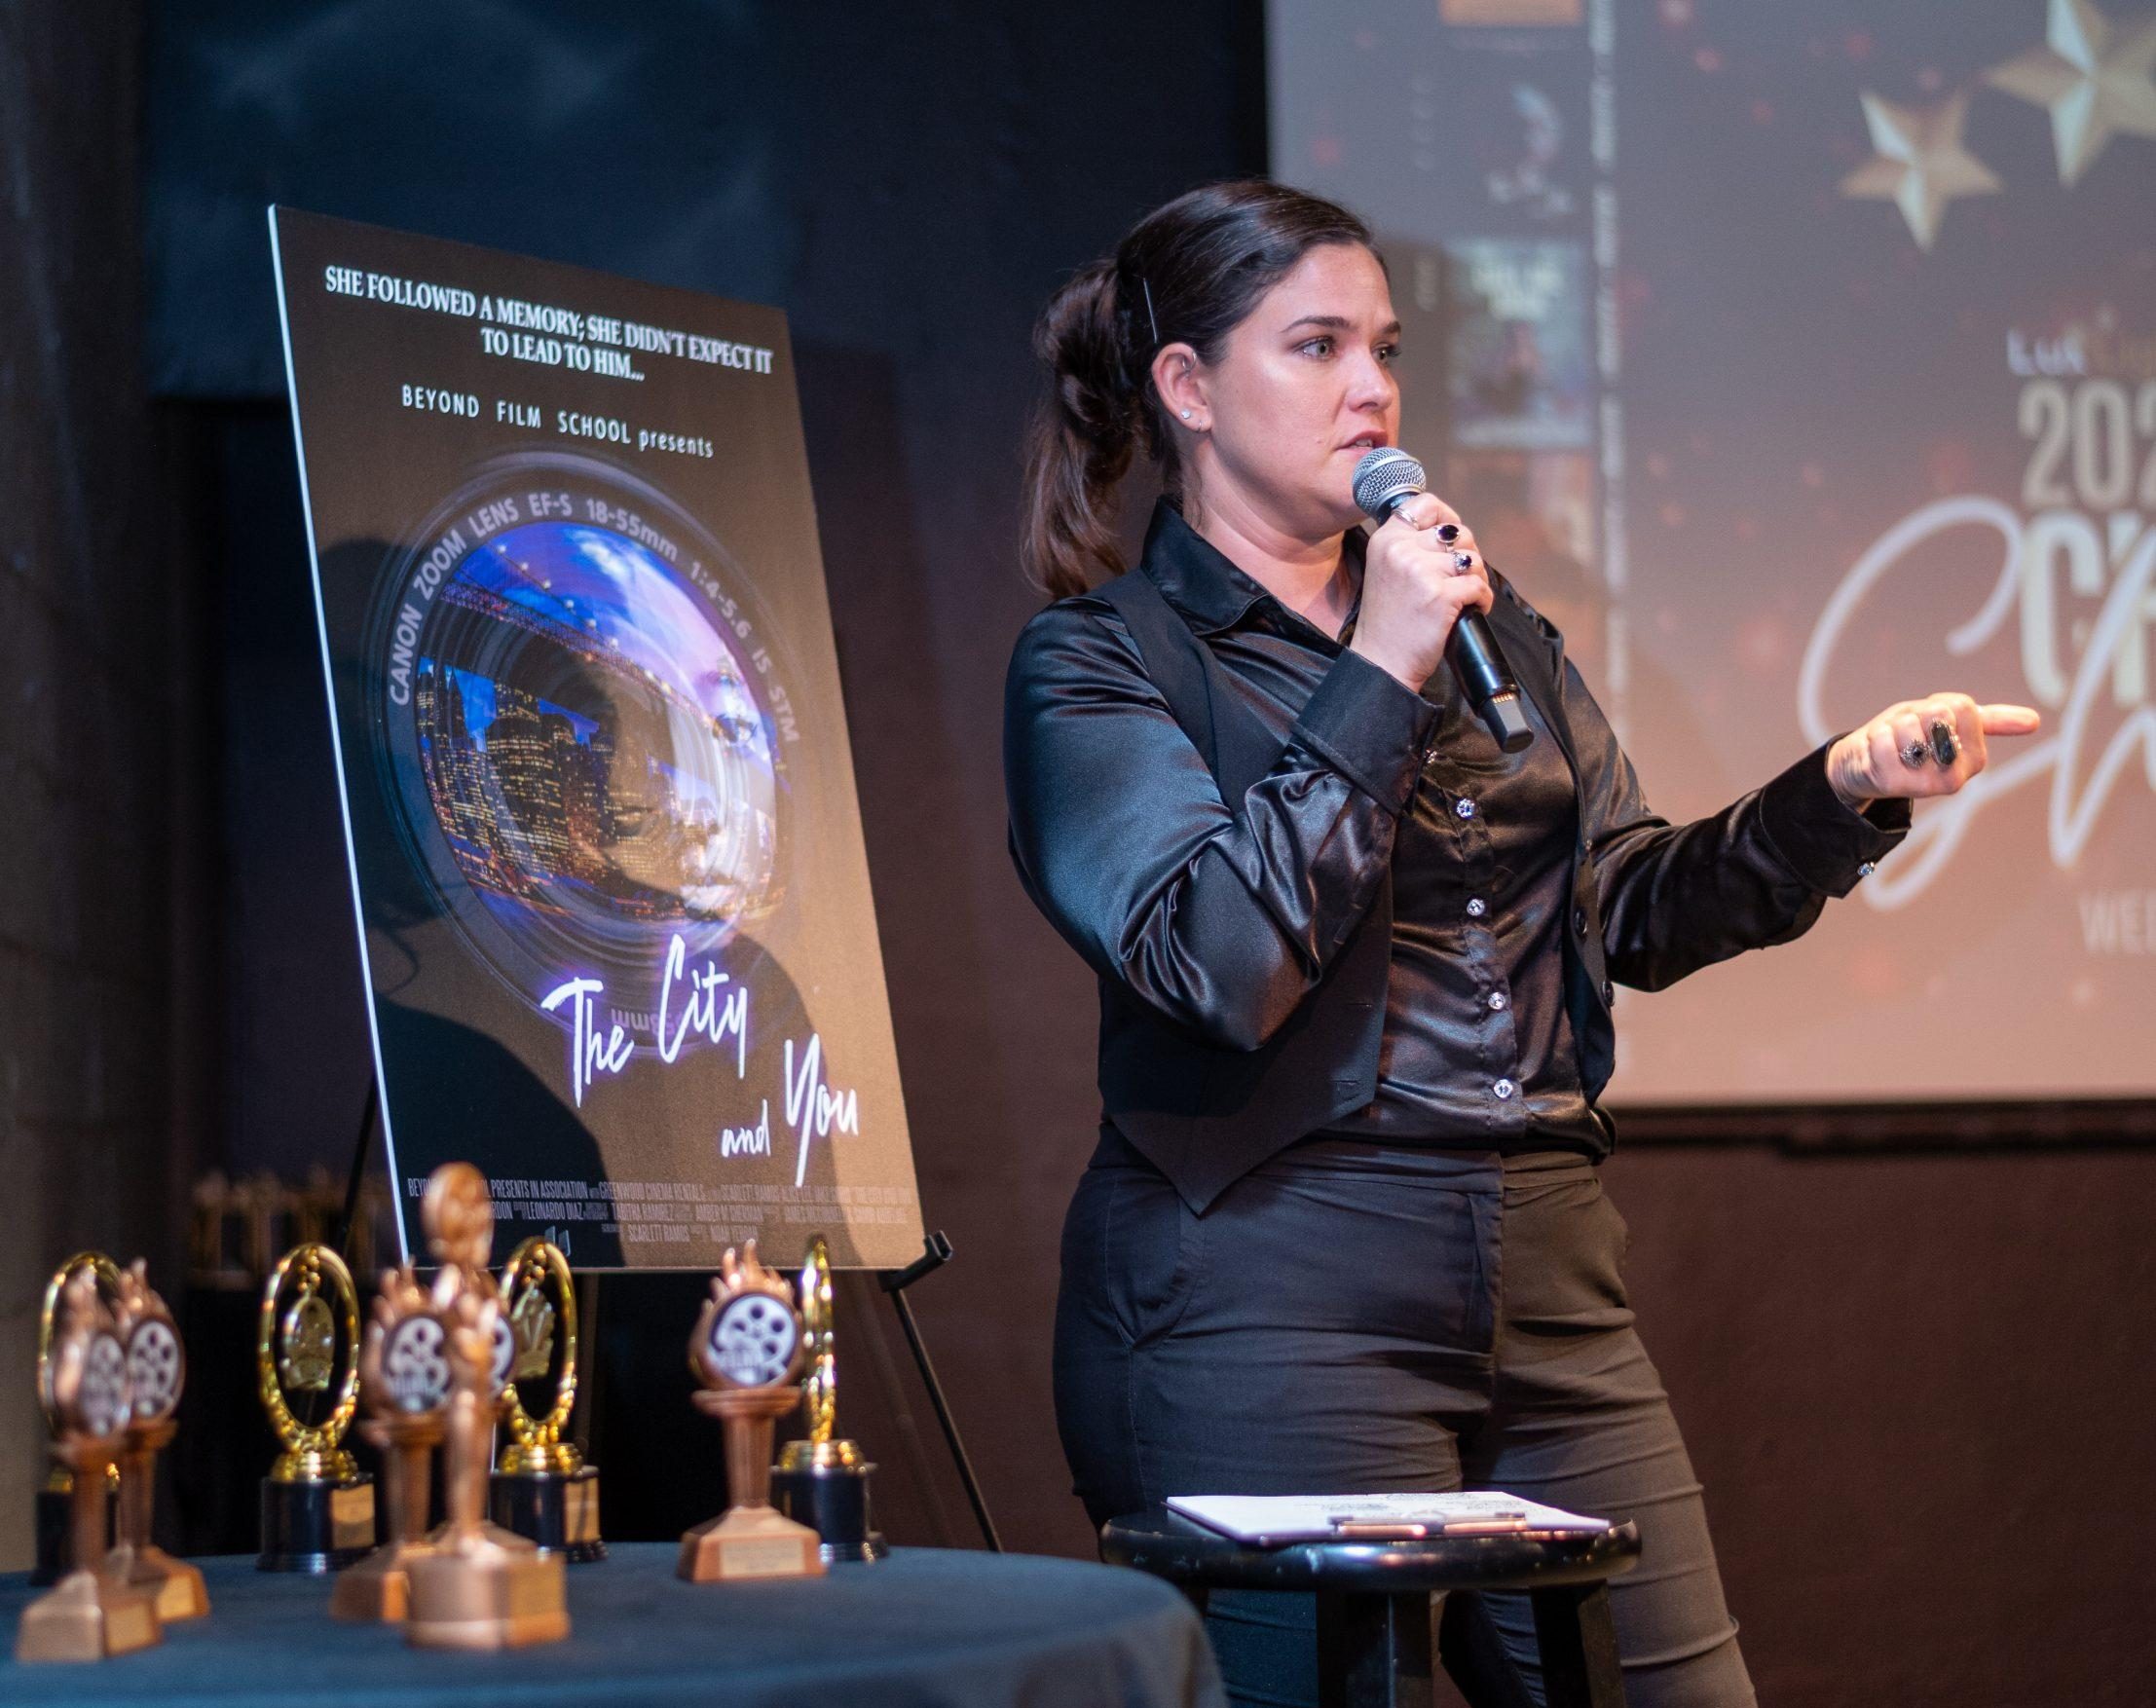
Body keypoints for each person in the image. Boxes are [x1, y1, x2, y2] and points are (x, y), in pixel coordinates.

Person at [1001, 180, 2039, 1708]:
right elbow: (1219, 964)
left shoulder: (1495, 635)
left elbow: (1631, 907)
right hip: (1263, 1295)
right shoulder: (1100, 663)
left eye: (1383, 347)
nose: (1370, 387)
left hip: (1546, 1281)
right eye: (1315, 345)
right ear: (1188, 387)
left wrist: (1838, 790)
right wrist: (1379, 661)